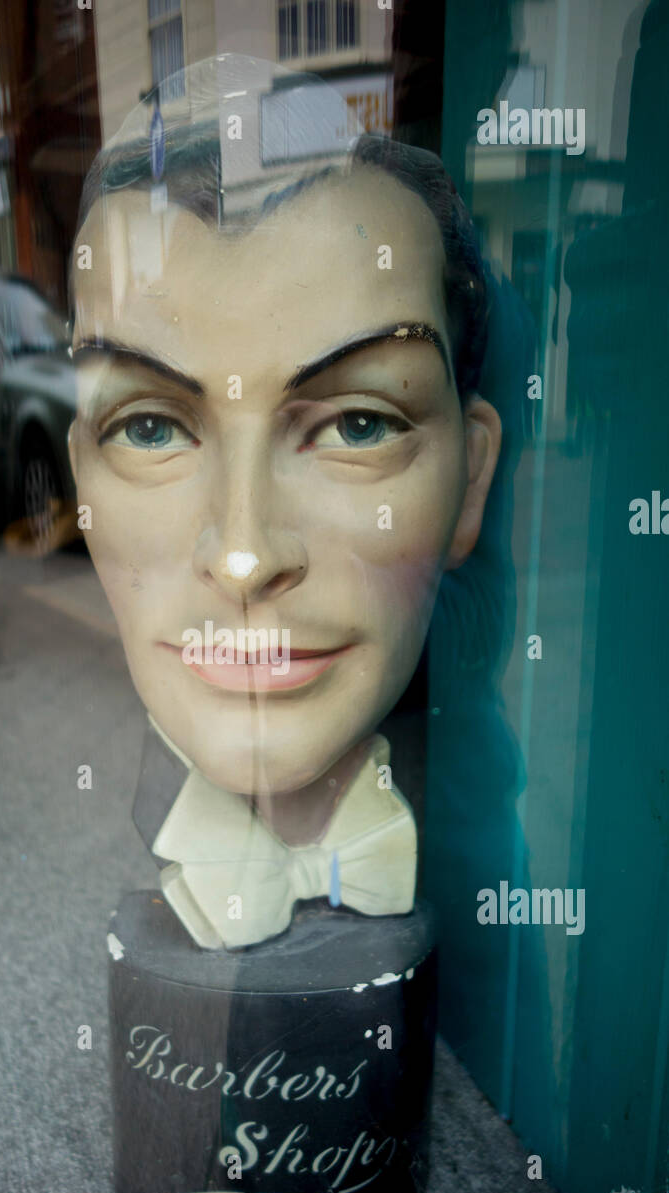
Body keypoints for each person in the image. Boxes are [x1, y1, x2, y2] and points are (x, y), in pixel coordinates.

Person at [67, 57, 502, 949]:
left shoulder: (493, 832)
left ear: (473, 481)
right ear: (80, 487)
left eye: (357, 425)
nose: (244, 554)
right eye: (149, 429)